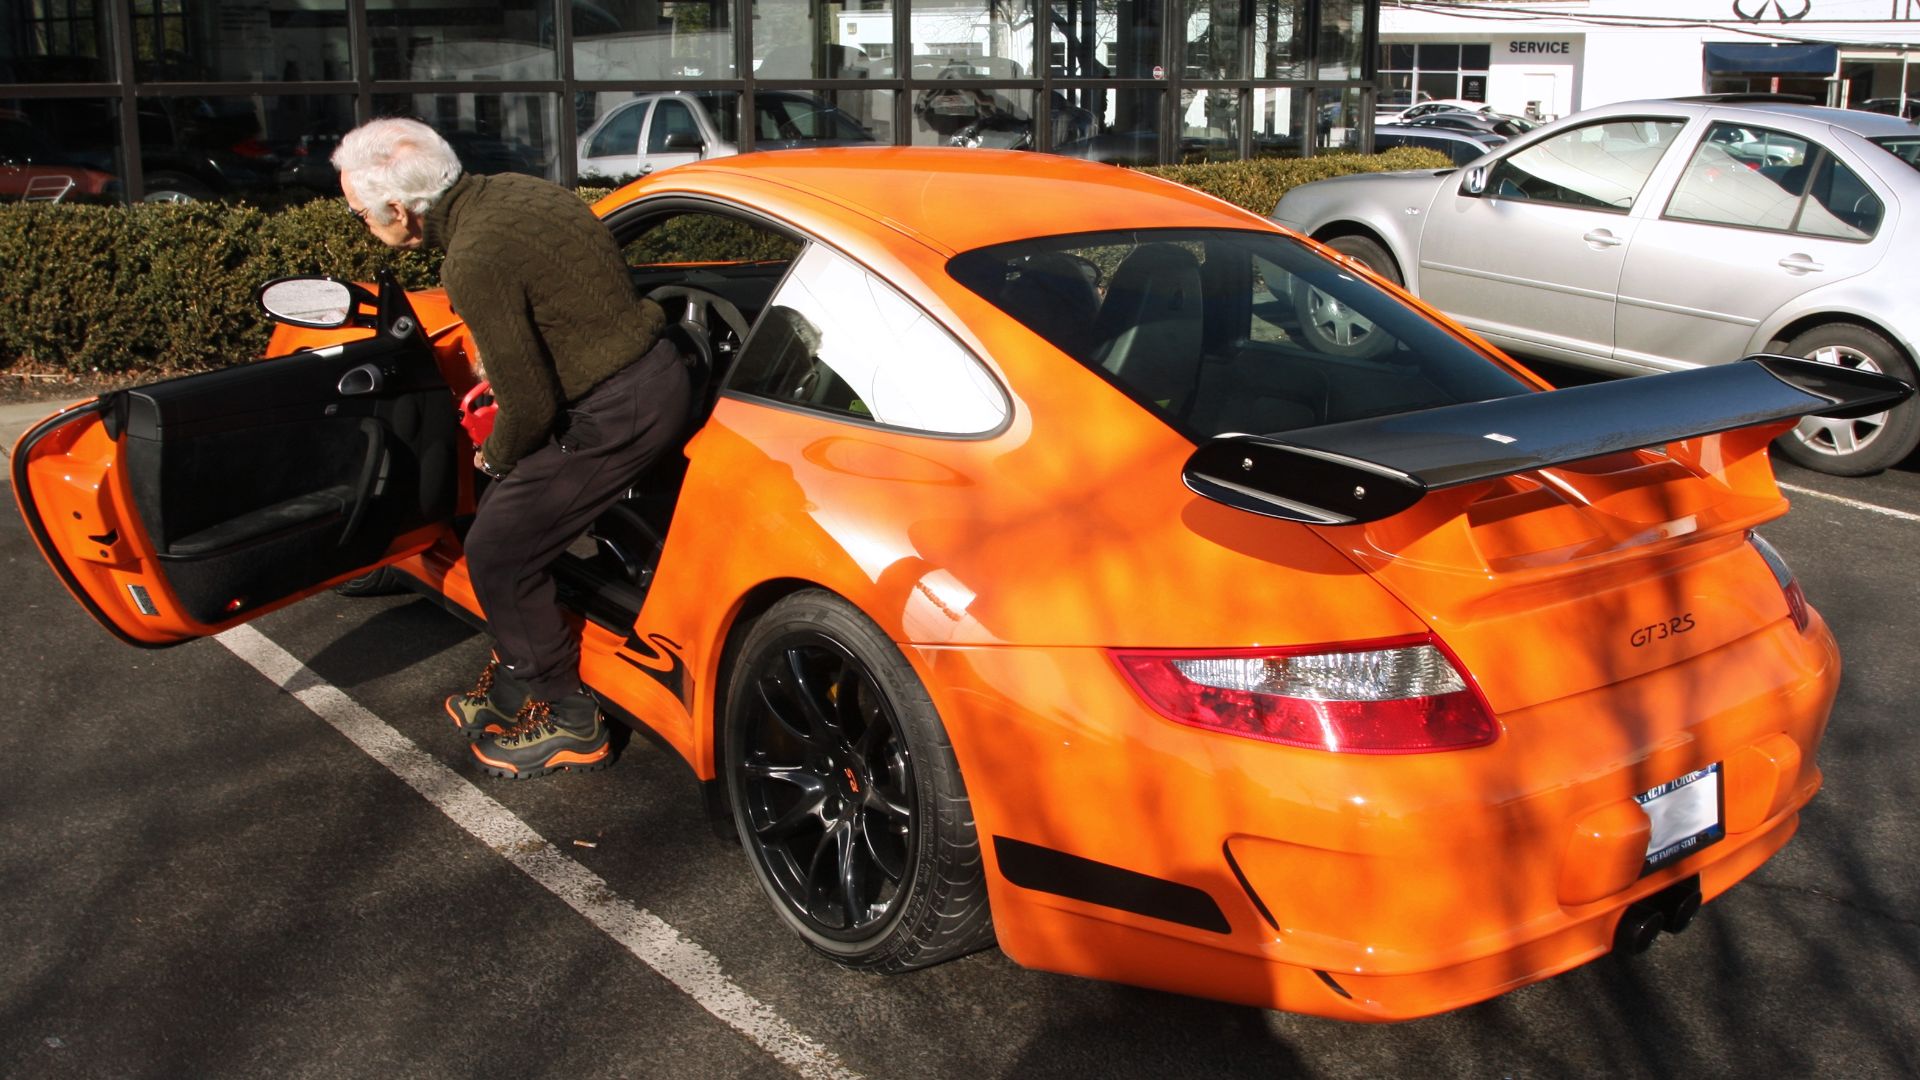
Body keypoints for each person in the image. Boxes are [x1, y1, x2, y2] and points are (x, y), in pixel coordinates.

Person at [332, 117, 691, 780]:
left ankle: (569, 720)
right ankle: (520, 674)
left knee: (498, 549)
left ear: (395, 209)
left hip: (617, 414)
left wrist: (493, 456)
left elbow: (528, 408)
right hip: (652, 375)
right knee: (512, 516)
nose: (363, 224)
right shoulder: (523, 192)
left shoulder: (471, 257)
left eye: (359, 214)